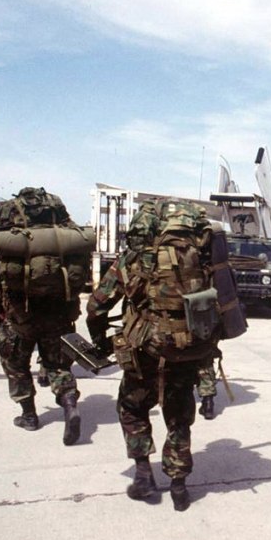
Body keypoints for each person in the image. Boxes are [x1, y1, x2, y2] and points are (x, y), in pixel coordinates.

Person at [87, 198, 223, 512]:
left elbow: (96, 306)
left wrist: (100, 342)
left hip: (145, 351)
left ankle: (144, 474)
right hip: (186, 350)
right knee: (179, 416)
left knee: (132, 407)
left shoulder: (134, 259)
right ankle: (179, 486)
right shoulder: (201, 258)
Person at [0, 187, 90, 446]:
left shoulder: (4, 246)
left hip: (19, 319)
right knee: (58, 367)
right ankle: (69, 402)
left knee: (16, 367)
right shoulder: (66, 245)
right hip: (59, 317)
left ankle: (29, 416)